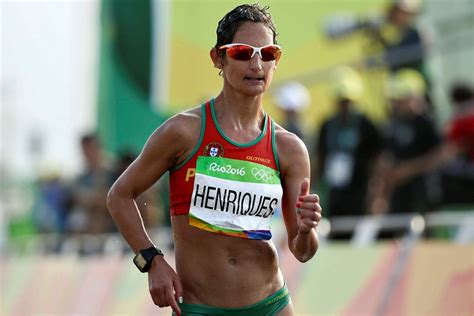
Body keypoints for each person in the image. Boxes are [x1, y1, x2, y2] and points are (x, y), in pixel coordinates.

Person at [107, 4, 322, 316]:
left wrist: (305, 231)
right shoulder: (184, 131)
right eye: (242, 52)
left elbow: (302, 252)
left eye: (268, 53)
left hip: (270, 304)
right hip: (199, 308)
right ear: (218, 58)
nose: (257, 63)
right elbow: (120, 196)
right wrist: (151, 259)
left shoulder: (289, 148)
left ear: (277, 61)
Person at [313, 67, 383, 228]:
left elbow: (378, 159)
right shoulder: (327, 125)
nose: (345, 106)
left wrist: (376, 194)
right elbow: (320, 158)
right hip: (333, 193)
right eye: (341, 101)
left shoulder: (366, 125)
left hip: (360, 192)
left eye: (347, 101)